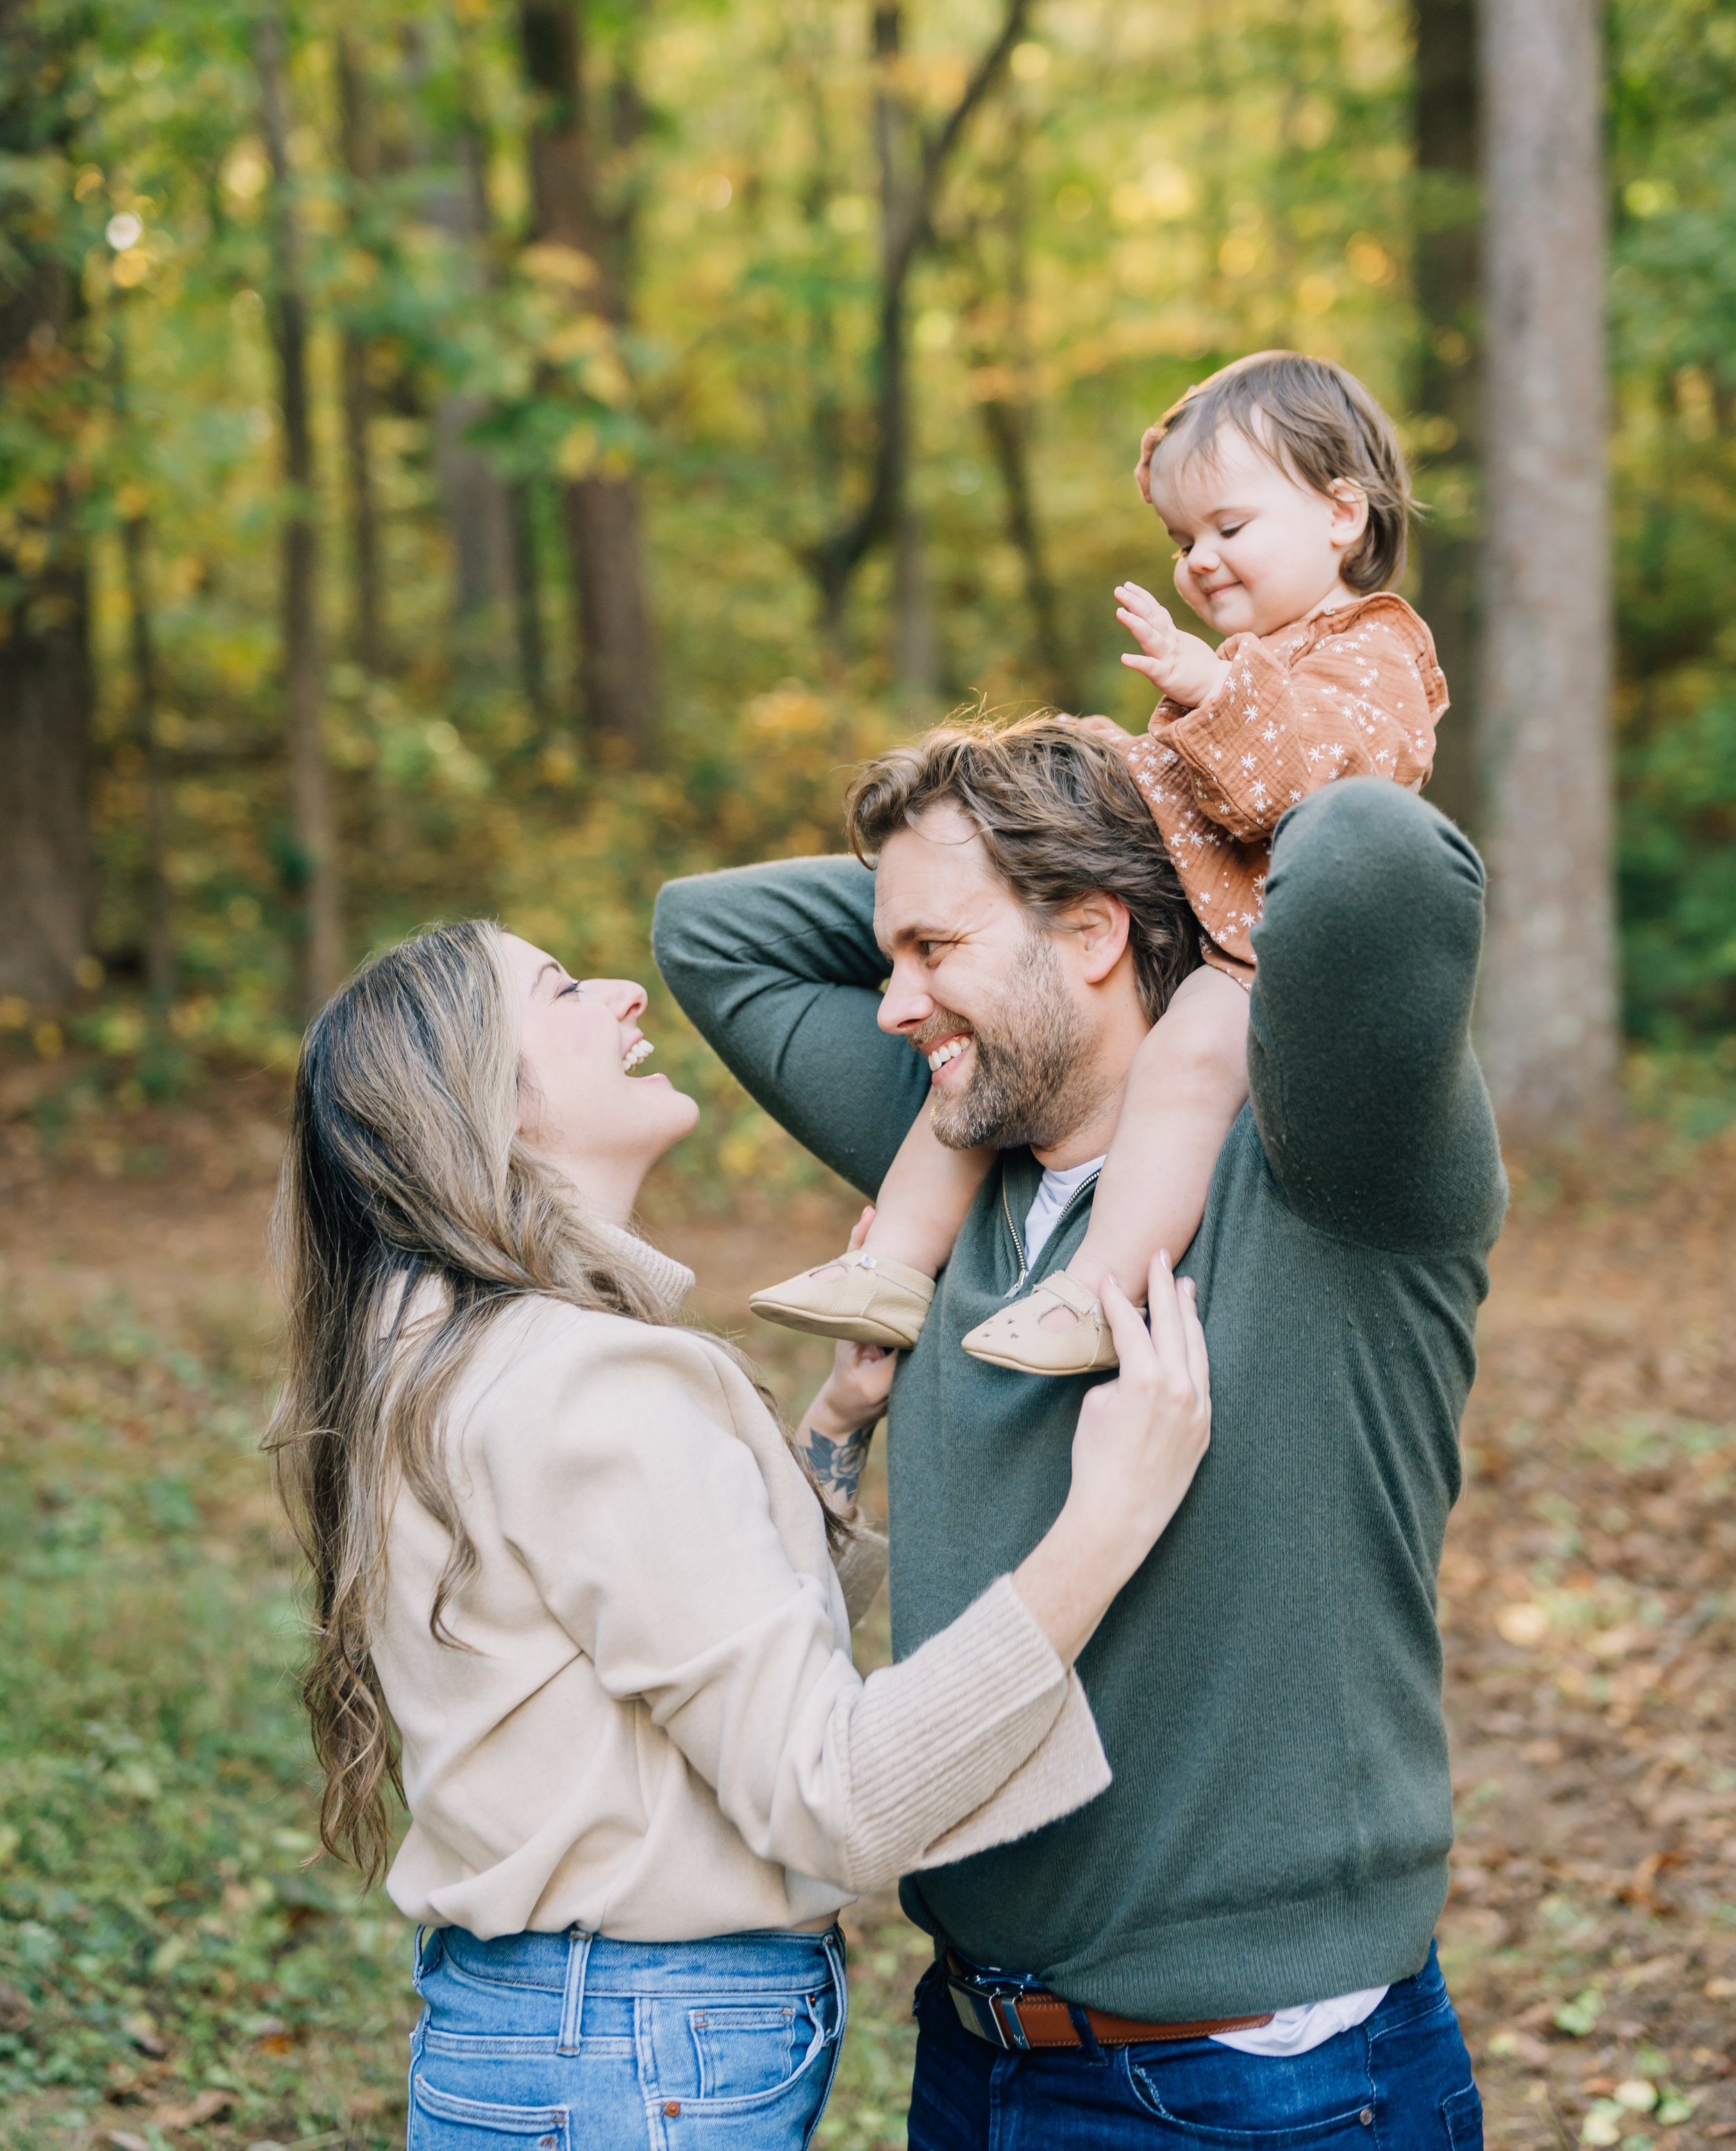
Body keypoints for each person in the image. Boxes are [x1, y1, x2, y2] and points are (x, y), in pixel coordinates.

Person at [653, 723, 1505, 2148]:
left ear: (1097, 931)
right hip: (978, 2053)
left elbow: (1370, 853)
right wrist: (1005, 844)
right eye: (887, 955)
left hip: (1261, 2087)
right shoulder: (951, 1144)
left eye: (932, 947)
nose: (890, 1005)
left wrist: (1178, 810)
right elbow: (707, 931)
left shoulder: (1331, 1163)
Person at [267, 917, 1215, 2151]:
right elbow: (830, 1795)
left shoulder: (440, 1353)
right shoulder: (587, 1387)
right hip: (629, 2056)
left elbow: (654, 1643)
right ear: (482, 1103)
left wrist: (828, 1430)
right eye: (558, 988)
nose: (618, 991)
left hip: (557, 2034)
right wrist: (1111, 1513)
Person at [749, 351, 1448, 1376]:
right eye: (1181, 539)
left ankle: (1098, 1287)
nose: (1200, 559)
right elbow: (1170, 799)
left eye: (1229, 527)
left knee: (1185, 1060)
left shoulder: (1374, 652)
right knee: (994, 1041)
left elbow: (1325, 789)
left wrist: (1210, 692)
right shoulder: (1243, 666)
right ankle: (893, 1263)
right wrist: (1085, 763)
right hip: (1186, 940)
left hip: (1276, 973)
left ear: (1342, 513)